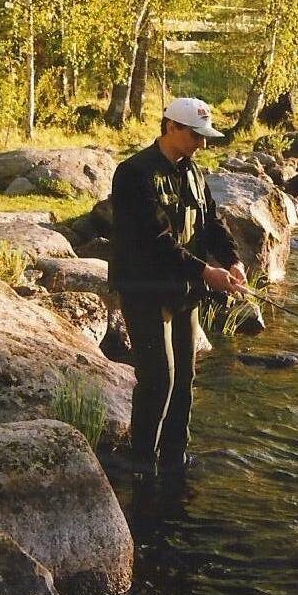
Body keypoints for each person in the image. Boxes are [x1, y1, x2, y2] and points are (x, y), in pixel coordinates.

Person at [109, 97, 247, 479]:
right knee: (159, 377)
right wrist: (207, 272)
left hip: (184, 291)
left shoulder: (193, 172)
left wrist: (233, 260)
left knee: (185, 376)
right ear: (172, 127)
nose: (202, 144)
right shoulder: (134, 174)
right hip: (145, 290)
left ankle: (175, 457)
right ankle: (141, 462)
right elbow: (157, 240)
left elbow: (212, 223)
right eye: (195, 136)